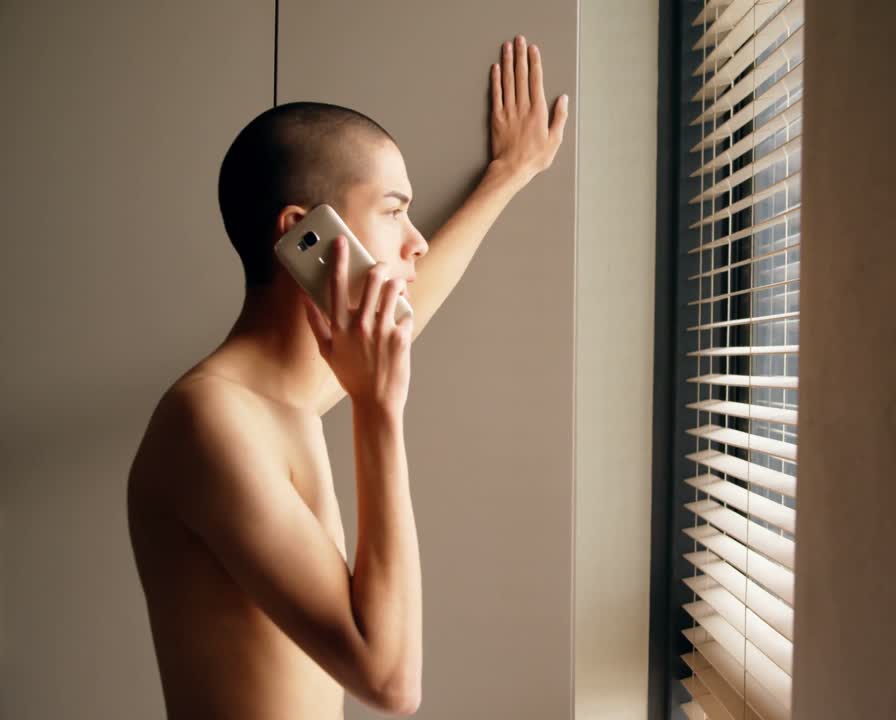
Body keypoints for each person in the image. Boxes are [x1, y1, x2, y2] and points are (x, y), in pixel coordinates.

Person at [126, 34, 567, 718]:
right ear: (307, 238)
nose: (415, 240)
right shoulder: (209, 421)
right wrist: (377, 409)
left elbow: (409, 304)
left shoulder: (281, 403)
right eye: (394, 210)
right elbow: (390, 682)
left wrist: (507, 175)